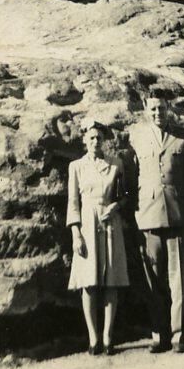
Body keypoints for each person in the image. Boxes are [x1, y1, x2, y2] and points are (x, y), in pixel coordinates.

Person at [127, 90, 184, 353]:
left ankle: (178, 336)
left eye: (161, 108)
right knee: (153, 281)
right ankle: (158, 335)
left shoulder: (183, 136)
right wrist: (132, 212)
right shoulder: (136, 137)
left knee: (178, 279)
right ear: (145, 109)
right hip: (148, 216)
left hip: (178, 214)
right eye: (153, 109)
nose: (157, 113)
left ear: (168, 107)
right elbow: (132, 178)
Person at [66, 118, 129, 355]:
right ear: (84, 139)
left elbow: (125, 194)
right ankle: (93, 338)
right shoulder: (76, 167)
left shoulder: (115, 164)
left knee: (111, 280)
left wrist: (115, 207)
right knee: (88, 282)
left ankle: (108, 336)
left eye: (99, 138)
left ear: (104, 140)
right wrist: (76, 234)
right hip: (87, 224)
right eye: (91, 138)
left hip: (110, 221)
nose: (95, 142)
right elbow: (73, 202)